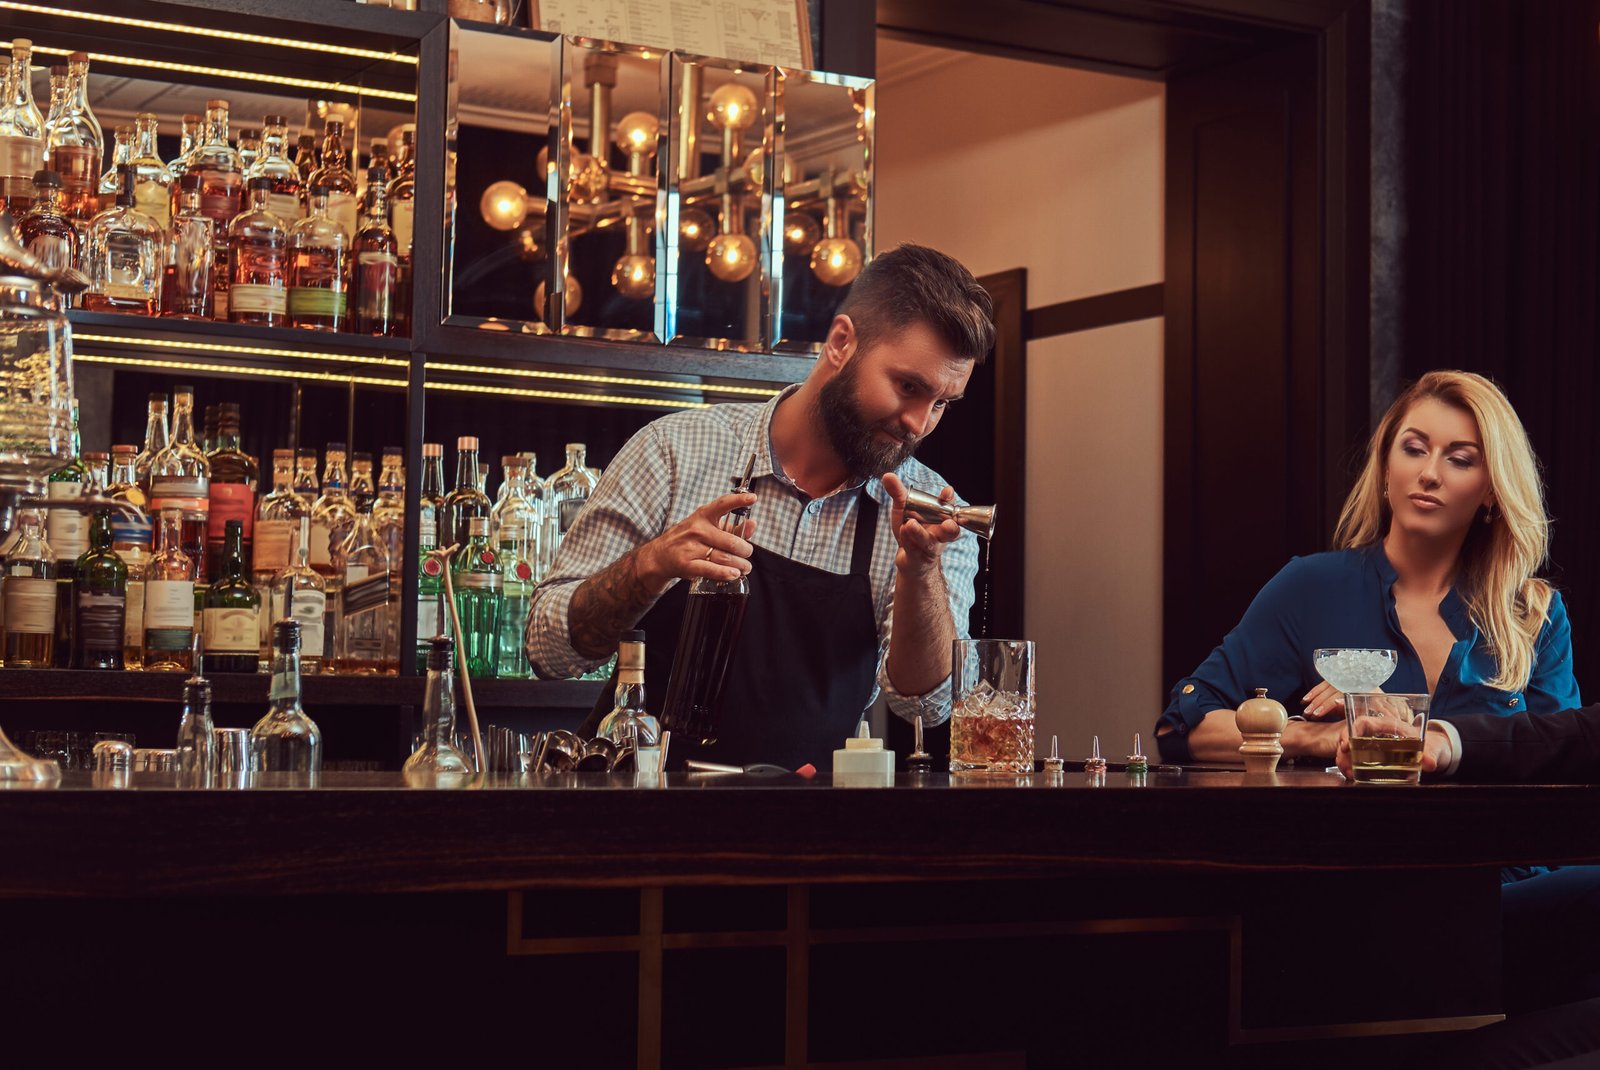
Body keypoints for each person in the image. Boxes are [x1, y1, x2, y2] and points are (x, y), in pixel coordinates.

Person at [525, 243, 992, 770]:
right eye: (907, 386)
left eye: (940, 404)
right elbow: (549, 648)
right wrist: (651, 564)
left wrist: (921, 572)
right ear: (842, 343)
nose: (918, 423)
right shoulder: (674, 452)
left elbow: (927, 705)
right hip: (639, 805)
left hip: (801, 814)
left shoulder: (932, 514)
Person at [1157, 370, 1579, 765]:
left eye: (1460, 459)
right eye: (1414, 449)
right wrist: (1320, 736)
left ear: (1491, 490)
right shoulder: (1311, 587)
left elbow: (1566, 756)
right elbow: (1183, 726)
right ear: (1386, 467)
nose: (1429, 473)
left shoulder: (1533, 614)